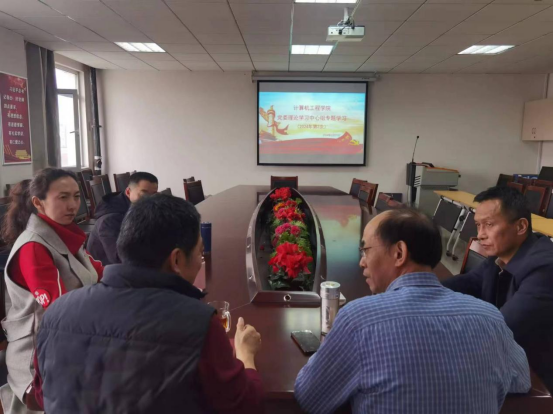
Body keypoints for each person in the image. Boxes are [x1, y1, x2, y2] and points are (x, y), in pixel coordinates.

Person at [36, 194, 264, 414]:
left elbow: (41, 395)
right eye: (199, 252)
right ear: (176, 259)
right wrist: (246, 356)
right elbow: (244, 406)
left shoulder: (56, 311)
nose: (199, 261)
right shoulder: (198, 323)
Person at [295, 209, 530, 414]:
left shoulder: (360, 319)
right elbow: (522, 381)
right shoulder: (490, 317)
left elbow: (311, 398)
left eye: (365, 250)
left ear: (399, 253)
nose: (362, 262)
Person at [0, 168, 103, 414]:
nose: (73, 205)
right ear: (38, 203)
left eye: (76, 196)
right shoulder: (34, 247)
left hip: (73, 340)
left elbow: (97, 272)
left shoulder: (63, 234)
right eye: (63, 197)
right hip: (39, 358)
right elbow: (59, 311)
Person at [443, 186, 553, 392]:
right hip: (510, 357)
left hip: (538, 377)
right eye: (478, 225)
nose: (480, 235)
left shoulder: (545, 268)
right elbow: (470, 282)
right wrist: (421, 291)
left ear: (521, 226)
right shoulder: (501, 255)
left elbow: (503, 326)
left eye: (489, 225)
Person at [87, 172, 158, 265]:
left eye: (153, 195)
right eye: (144, 194)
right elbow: (119, 257)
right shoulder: (110, 219)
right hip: (104, 269)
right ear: (128, 192)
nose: (150, 200)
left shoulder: (139, 208)